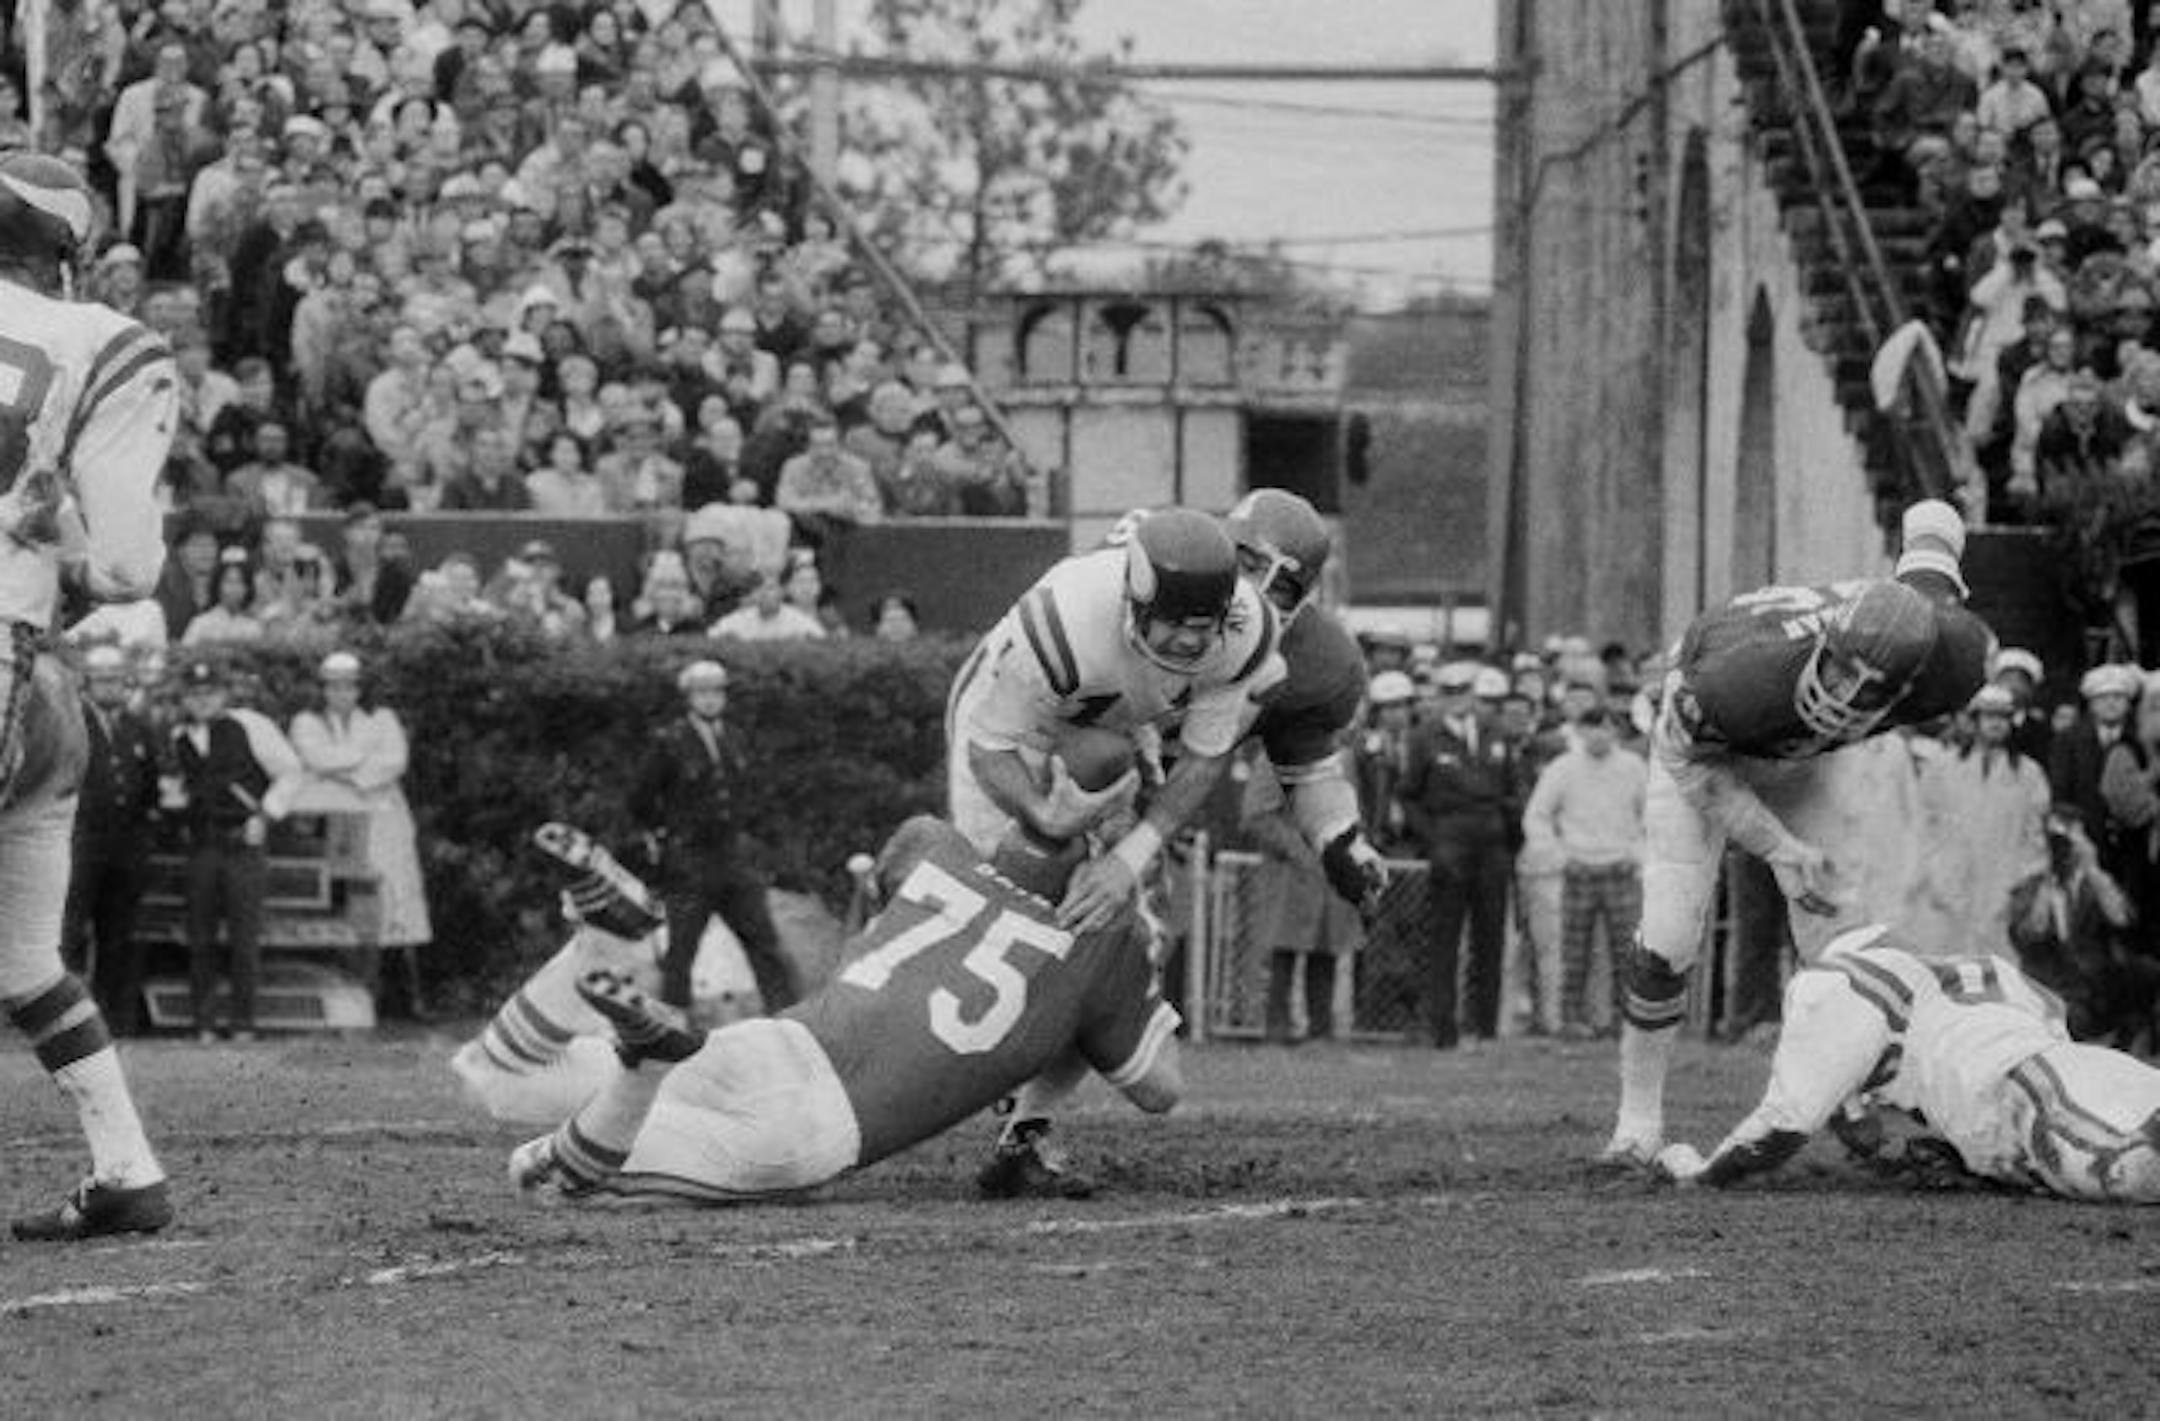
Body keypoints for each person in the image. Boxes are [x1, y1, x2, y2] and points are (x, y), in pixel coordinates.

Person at [496, 808, 1178, 1206]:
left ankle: (605, 975)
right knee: (538, 1175)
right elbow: (1158, 1088)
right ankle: (638, 1071)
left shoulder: (937, 846)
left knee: (523, 1075)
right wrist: (1122, 965)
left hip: (776, 1041)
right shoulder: (1106, 947)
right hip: (813, 1128)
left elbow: (899, 875)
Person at [1603, 500, 1993, 1168]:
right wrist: (1780, 849)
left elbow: (1930, 539)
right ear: (1827, 642)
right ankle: (1636, 1122)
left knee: (1841, 942)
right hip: (1709, 755)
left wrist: (1934, 538)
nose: (1847, 689)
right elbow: (1691, 764)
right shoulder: (1734, 678)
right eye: (1841, 667)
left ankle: (1852, 1102)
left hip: (1808, 761)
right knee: (1669, 934)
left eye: (1872, 685)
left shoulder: (1953, 657)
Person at [0, 152, 177, 1239]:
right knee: (23, 956)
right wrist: (48, 523)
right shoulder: (106, 341)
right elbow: (124, 569)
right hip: (43, 685)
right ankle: (125, 1167)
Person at [1653, 923, 2160, 1205]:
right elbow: (1868, 1135)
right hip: (2085, 1068)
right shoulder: (1981, 975)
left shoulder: (1842, 982)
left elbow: (1784, 1126)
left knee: (2130, 1171)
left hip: (2020, 1092)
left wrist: (1704, 1172)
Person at [625, 659, 796, 1014]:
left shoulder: (734, 737)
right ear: (688, 697)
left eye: (716, 692)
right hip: (690, 863)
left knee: (765, 944)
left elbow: (749, 794)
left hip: (734, 858)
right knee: (681, 952)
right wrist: (667, 832)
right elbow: (639, 798)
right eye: (701, 692)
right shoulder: (670, 741)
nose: (710, 700)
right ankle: (671, 1030)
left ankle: (788, 1020)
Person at [287, 652, 432, 1021]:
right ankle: (352, 993)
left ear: (359, 689)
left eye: (349, 686)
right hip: (336, 824)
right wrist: (362, 760)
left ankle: (400, 999)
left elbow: (394, 760)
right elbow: (315, 757)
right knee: (347, 902)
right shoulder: (307, 721)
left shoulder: (382, 720)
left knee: (395, 903)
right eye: (333, 686)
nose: (342, 694)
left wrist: (343, 768)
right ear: (323, 689)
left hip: (385, 821)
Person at [168, 658, 302, 1043]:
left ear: (222, 694)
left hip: (244, 845)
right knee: (200, 938)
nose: (203, 700)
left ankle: (244, 1023)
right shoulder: (179, 735)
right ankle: (204, 1023)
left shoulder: (251, 725)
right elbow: (180, 789)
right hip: (202, 848)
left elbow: (292, 772)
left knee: (244, 939)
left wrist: (266, 814)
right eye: (195, 694)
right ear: (186, 699)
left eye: (209, 693)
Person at [1399, 661, 1521, 1048]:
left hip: (1492, 844)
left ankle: (1485, 1028)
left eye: (1463, 692)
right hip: (1449, 841)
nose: (1458, 700)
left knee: (1490, 940)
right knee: (1444, 942)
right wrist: (1433, 842)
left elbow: (1512, 791)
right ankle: (1443, 1030)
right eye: (1449, 693)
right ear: (1440, 697)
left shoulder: (1495, 733)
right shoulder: (1423, 737)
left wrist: (1510, 840)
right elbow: (1409, 795)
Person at [1520, 704, 1647, 1039]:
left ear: (1616, 731)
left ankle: (1627, 1021)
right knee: (1572, 952)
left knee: (1627, 952)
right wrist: (1558, 856)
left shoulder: (1633, 767)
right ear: (1579, 730)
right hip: (1577, 871)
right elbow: (1537, 815)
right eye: (1592, 727)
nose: (1599, 734)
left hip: (1621, 869)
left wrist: (1637, 855)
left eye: (1607, 727)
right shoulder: (1563, 768)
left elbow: (1653, 818)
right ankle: (1570, 1020)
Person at [63, 646, 163, 1037]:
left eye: (118, 679)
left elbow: (150, 786)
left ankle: (111, 1023)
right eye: (103, 679)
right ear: (87, 682)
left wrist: (143, 838)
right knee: (71, 933)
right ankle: (66, 1026)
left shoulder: (138, 727)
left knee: (118, 935)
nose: (111, 687)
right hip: (82, 841)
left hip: (126, 847)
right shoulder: (71, 723)